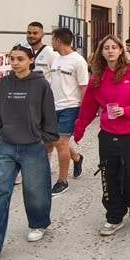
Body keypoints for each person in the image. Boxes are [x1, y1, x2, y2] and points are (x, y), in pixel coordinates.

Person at [0, 43, 58, 259]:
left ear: (30, 61)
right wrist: (0, 133)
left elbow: (49, 116)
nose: (15, 62)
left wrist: (44, 139)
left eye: (20, 58)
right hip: (7, 147)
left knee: (35, 190)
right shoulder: (3, 84)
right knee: (0, 192)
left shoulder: (41, 85)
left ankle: (39, 223)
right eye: (12, 58)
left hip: (33, 147)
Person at [74, 35, 130, 236]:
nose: (110, 51)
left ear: (121, 50)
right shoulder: (97, 77)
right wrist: (79, 128)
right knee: (108, 175)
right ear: (101, 52)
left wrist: (127, 111)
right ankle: (114, 217)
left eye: (114, 47)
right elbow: (89, 107)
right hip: (108, 133)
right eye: (106, 48)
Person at [46, 27, 87, 196]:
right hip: (53, 106)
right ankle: (77, 158)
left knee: (60, 144)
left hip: (70, 107)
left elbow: (84, 87)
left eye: (53, 38)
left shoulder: (78, 61)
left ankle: (62, 181)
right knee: (55, 141)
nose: (51, 41)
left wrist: (82, 112)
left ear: (59, 40)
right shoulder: (56, 58)